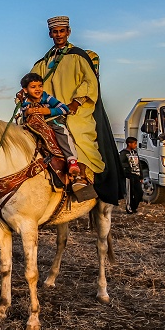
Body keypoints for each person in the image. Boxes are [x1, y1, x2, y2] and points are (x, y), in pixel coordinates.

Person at [30, 16, 124, 204]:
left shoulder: (79, 56)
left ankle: (81, 178)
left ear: (68, 32)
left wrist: (76, 102)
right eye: (55, 32)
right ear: (50, 34)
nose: (58, 35)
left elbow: (90, 82)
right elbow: (34, 83)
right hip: (50, 112)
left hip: (75, 111)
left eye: (62, 31)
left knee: (76, 134)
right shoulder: (43, 62)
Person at [18, 72, 80, 175]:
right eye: (33, 87)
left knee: (62, 132)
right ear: (25, 90)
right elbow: (23, 116)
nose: (38, 89)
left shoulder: (47, 98)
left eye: (40, 86)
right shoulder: (25, 103)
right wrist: (26, 112)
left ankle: (71, 160)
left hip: (52, 121)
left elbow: (64, 109)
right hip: (35, 125)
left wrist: (48, 111)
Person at [120, 137, 144, 214]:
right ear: (129, 144)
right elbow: (120, 163)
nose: (135, 145)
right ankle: (129, 207)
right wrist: (127, 167)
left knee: (139, 192)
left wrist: (141, 176)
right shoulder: (123, 153)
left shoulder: (135, 153)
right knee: (130, 193)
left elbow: (139, 164)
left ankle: (134, 206)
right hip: (129, 176)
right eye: (134, 143)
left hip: (136, 175)